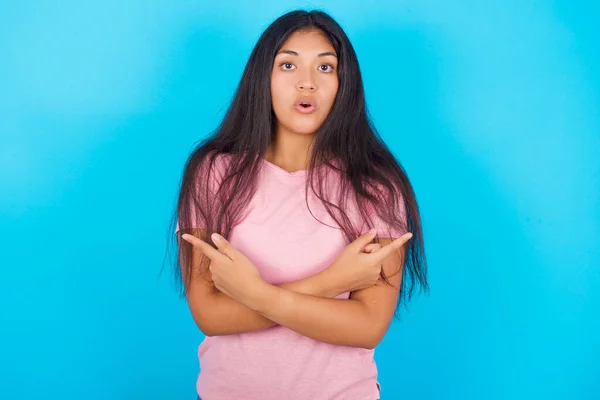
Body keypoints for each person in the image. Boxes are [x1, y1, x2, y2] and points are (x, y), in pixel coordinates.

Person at [171, 9, 428, 400]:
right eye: (288, 65)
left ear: (345, 84)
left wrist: (251, 293)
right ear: (263, 77)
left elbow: (367, 325)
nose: (307, 83)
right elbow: (210, 314)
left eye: (325, 68)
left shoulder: (375, 185)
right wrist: (332, 283)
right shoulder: (213, 173)